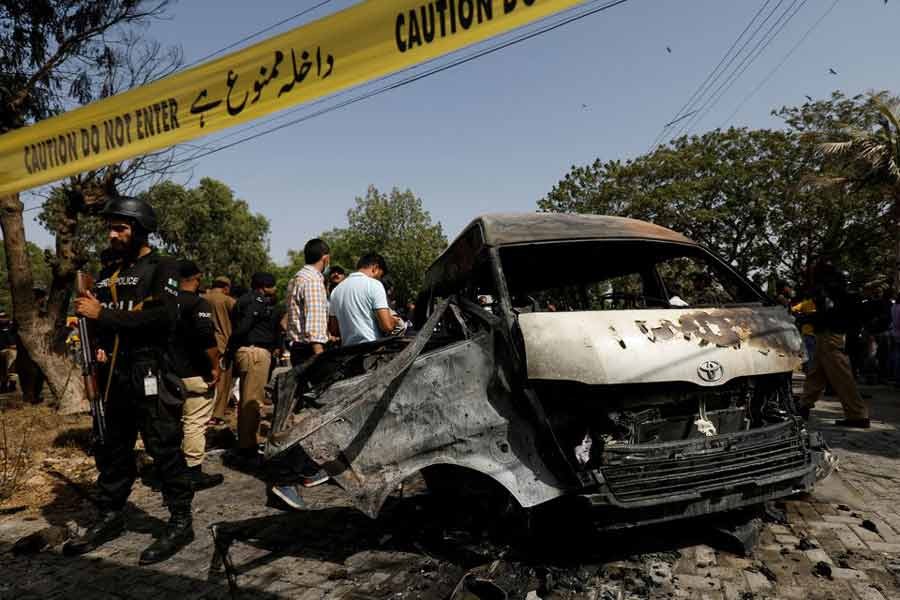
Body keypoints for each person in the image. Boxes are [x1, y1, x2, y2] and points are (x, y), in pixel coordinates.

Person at [66, 195, 194, 565]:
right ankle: (110, 513)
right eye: (110, 227)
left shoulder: (163, 267)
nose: (113, 234)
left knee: (164, 447)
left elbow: (162, 319)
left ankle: (180, 520)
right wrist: (99, 337)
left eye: (120, 227)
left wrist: (101, 314)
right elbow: (106, 321)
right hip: (113, 376)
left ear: (139, 229)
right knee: (112, 448)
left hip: (150, 370)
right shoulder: (107, 273)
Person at [798, 260, 869, 428]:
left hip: (831, 336)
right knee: (816, 373)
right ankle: (803, 406)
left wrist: (809, 318)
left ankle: (858, 415)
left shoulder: (829, 289)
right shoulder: (837, 288)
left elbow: (829, 314)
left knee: (842, 378)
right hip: (828, 335)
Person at [173, 261, 224, 491]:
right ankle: (193, 472)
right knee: (194, 423)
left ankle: (173, 469)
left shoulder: (165, 303)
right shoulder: (197, 303)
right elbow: (206, 339)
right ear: (198, 277)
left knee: (175, 423)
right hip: (195, 374)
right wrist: (215, 366)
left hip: (169, 374)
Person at [224, 272, 279, 469]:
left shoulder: (242, 300)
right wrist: (230, 349)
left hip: (248, 352)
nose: (275, 290)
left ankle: (245, 443)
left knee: (247, 400)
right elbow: (243, 327)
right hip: (254, 352)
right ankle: (247, 449)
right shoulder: (256, 302)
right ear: (264, 286)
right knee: (251, 403)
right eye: (273, 286)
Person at [328, 253, 402, 346]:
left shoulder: (336, 290)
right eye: (379, 276)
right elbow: (386, 326)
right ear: (375, 268)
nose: (379, 279)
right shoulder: (374, 284)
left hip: (347, 352)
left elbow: (334, 330)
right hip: (370, 350)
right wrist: (395, 321)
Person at [284, 239, 331, 366]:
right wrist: (320, 358)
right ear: (325, 258)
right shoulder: (313, 280)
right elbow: (314, 324)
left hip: (297, 348)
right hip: (310, 351)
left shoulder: (296, 278)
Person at [204, 276, 236, 425]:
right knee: (223, 382)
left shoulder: (202, 298)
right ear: (226, 287)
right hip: (223, 346)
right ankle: (216, 415)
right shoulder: (227, 301)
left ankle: (204, 412)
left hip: (204, 346)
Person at [0, 311, 16, 392]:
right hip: (1, 350)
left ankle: (12, 385)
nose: (2, 319)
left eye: (4, 317)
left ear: (7, 317)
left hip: (11, 350)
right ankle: (3, 385)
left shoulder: (12, 326)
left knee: (11, 368)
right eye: (0, 317)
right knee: (2, 369)